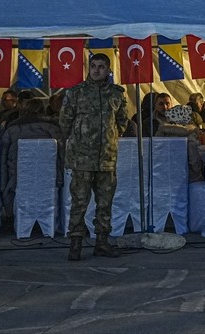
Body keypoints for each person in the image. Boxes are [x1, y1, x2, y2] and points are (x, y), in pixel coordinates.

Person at [59, 52, 129, 260]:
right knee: (79, 201)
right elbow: (65, 122)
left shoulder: (116, 94)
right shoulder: (76, 93)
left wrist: (109, 138)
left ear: (108, 70)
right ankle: (76, 242)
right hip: (82, 158)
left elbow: (122, 122)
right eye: (93, 66)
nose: (97, 70)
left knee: (105, 202)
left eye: (101, 67)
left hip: (107, 157)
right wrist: (80, 139)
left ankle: (102, 242)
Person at [0, 97, 63, 223]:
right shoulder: (53, 128)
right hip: (48, 177)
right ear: (43, 110)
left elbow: (3, 156)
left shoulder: (12, 129)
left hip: (18, 177)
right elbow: (62, 153)